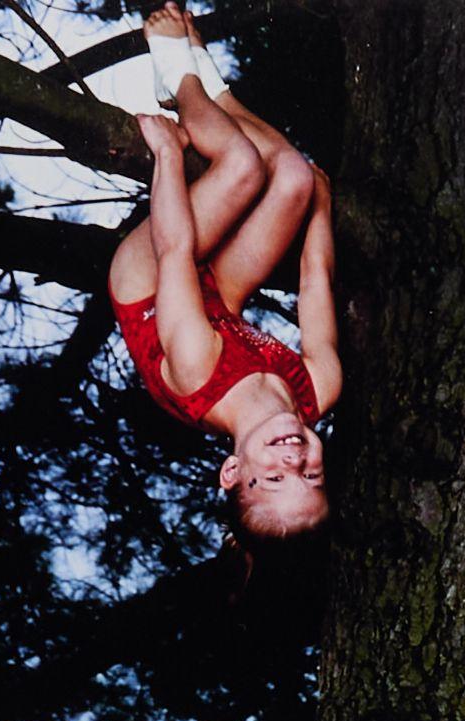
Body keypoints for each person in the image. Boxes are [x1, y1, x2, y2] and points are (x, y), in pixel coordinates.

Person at [106, 7, 340, 542]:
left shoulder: (197, 374)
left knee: (240, 166)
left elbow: (174, 249)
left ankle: (177, 73)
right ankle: (213, 81)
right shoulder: (318, 392)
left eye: (275, 478)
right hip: (217, 305)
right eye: (311, 475)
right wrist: (321, 208)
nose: (294, 458)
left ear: (232, 472)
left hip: (149, 282)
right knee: (295, 180)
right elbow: (316, 282)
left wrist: (167, 155)